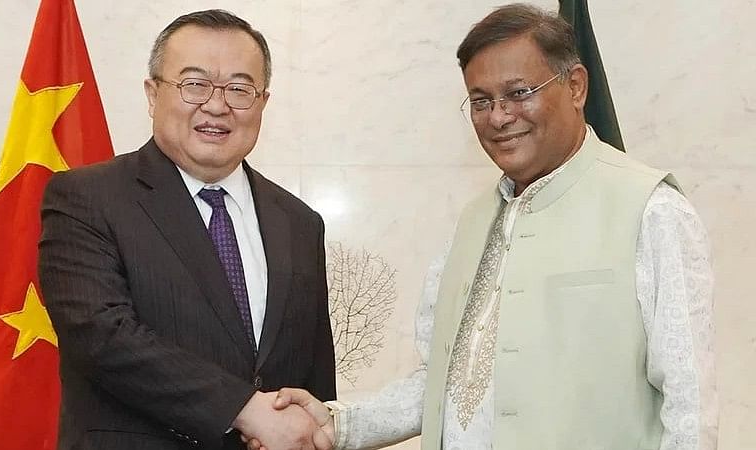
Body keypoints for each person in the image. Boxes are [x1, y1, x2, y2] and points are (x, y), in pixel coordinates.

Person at [256, 3, 717, 450]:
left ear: (576, 87)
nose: (498, 117)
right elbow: (439, 382)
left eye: (519, 93)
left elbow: (689, 405)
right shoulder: (472, 224)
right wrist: (340, 426)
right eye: (481, 101)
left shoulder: (652, 210)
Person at [38, 10, 336, 450]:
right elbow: (101, 336)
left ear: (262, 103)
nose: (216, 105)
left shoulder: (299, 222)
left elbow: (313, 375)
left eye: (239, 88)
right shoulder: (86, 198)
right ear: (152, 93)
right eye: (194, 84)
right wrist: (246, 410)